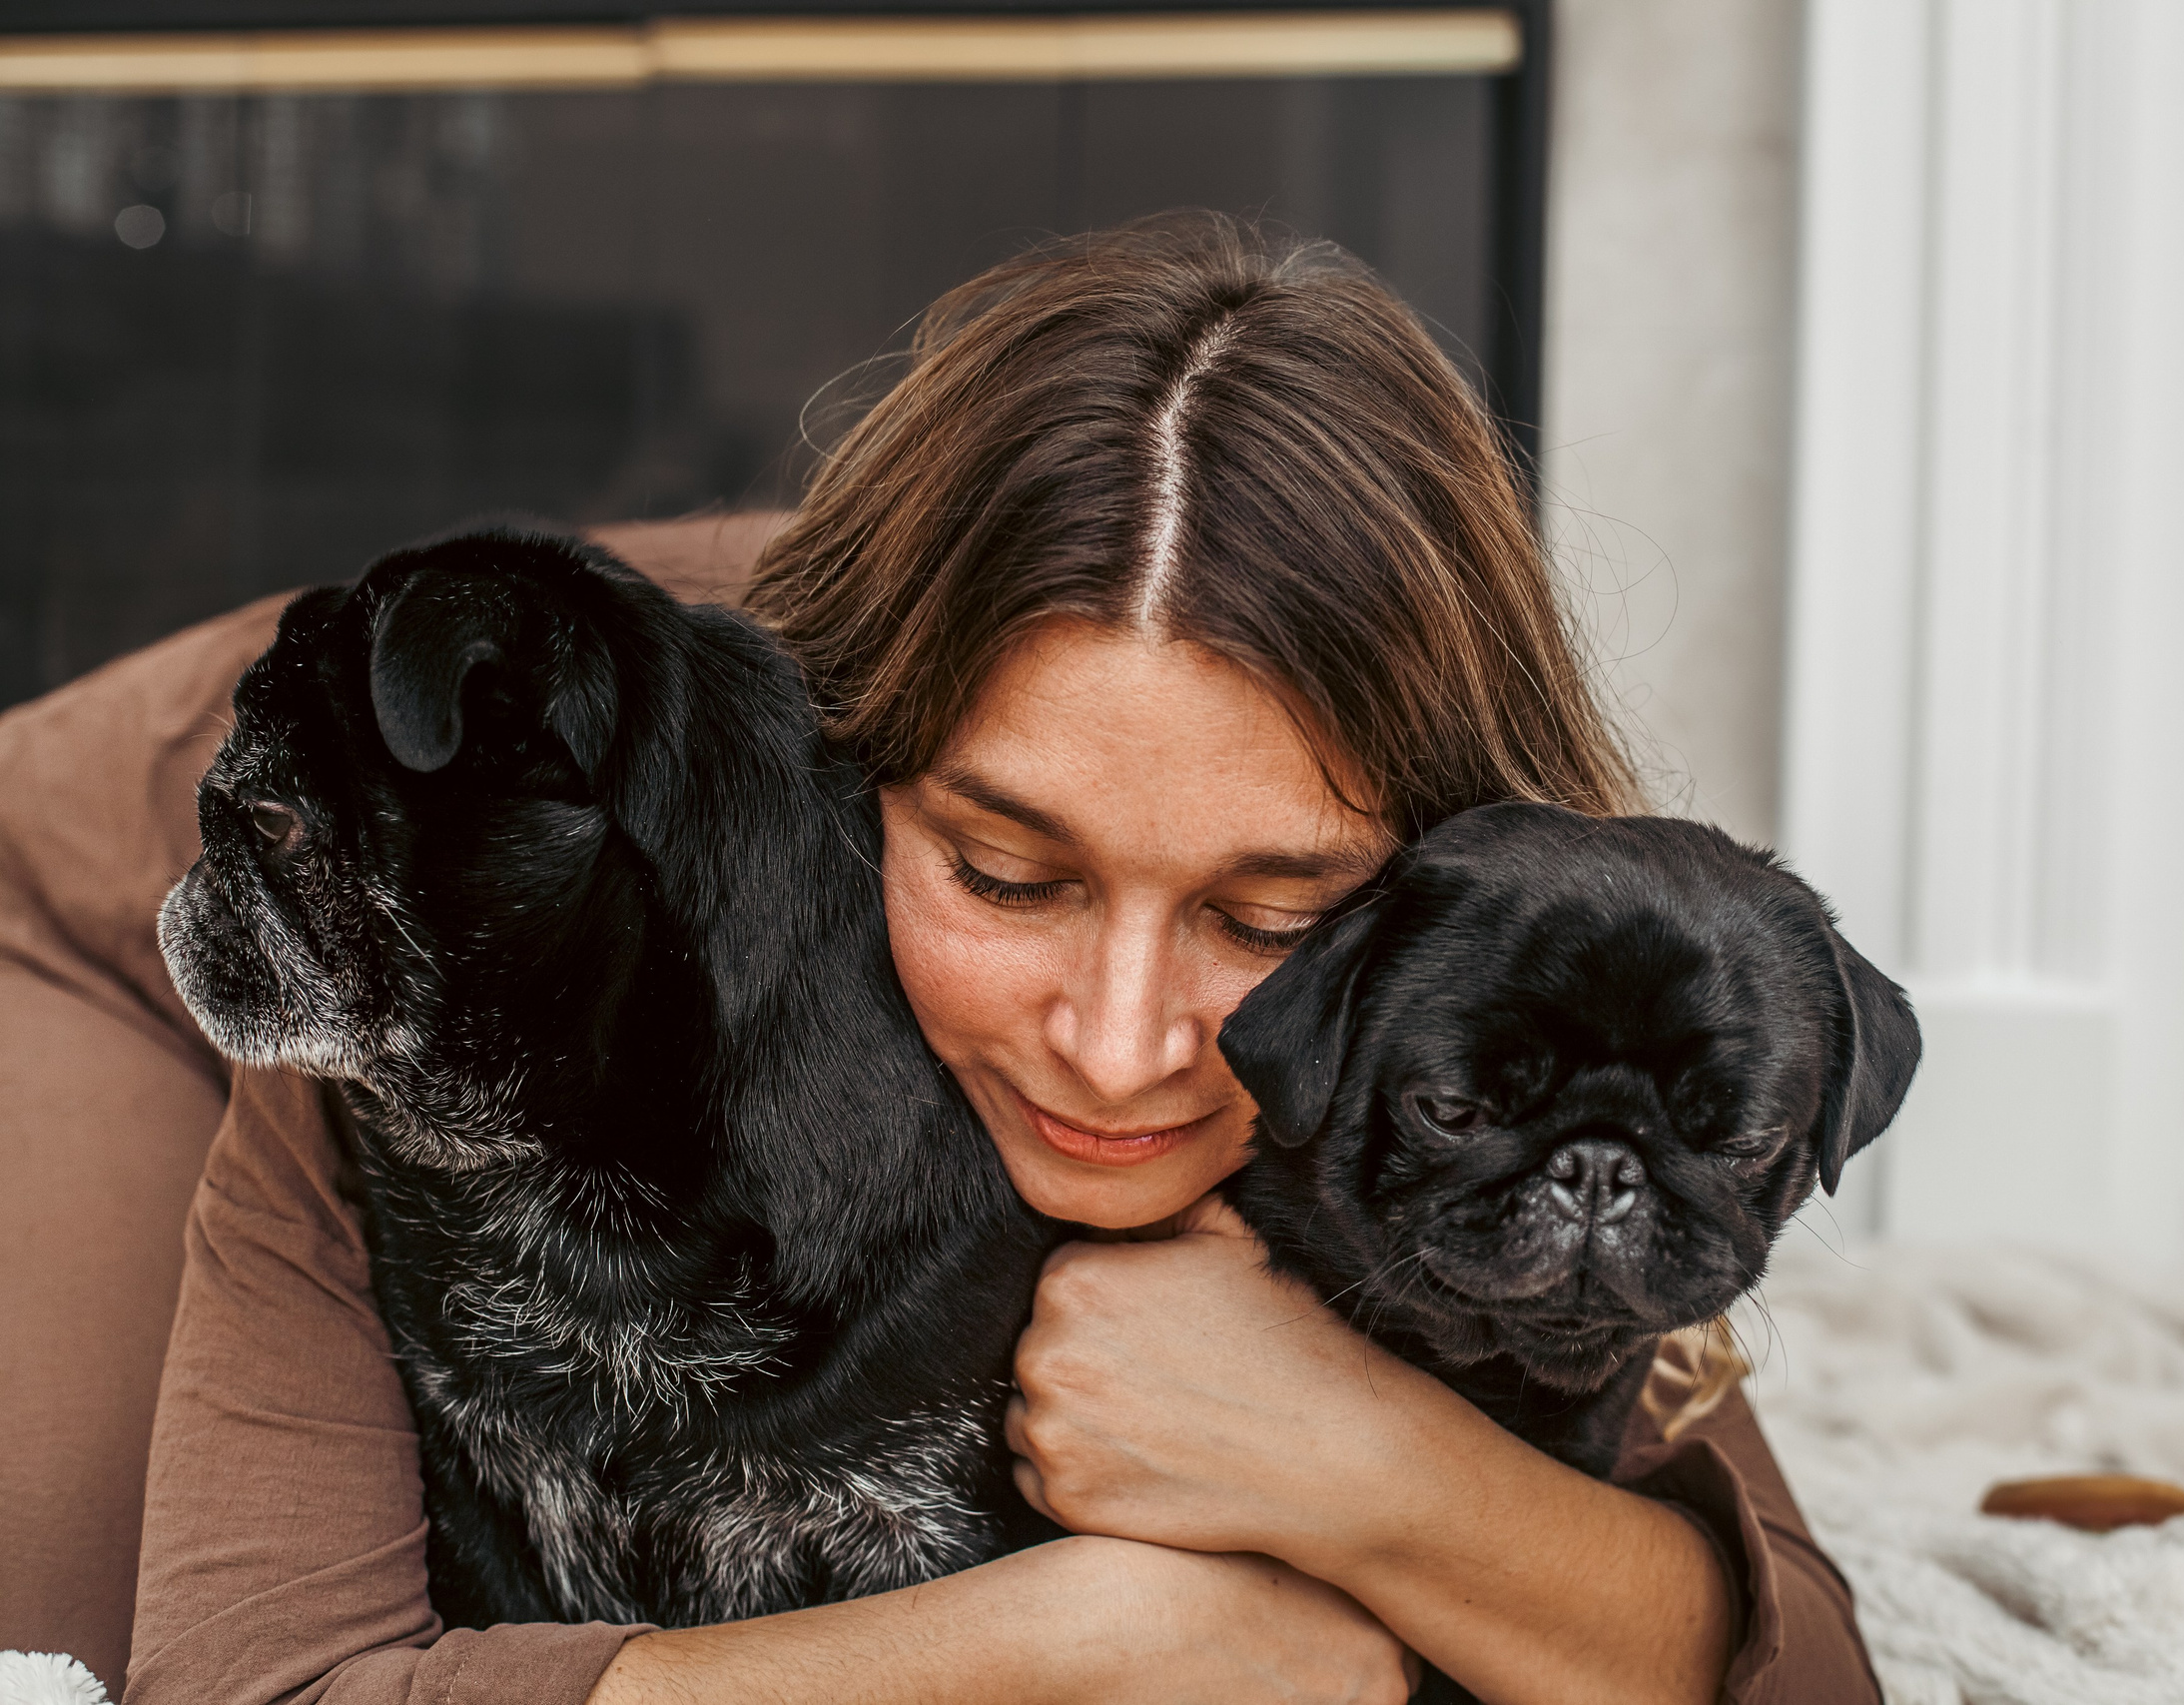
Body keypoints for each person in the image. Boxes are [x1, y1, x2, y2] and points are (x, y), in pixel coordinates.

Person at [4, 216, 1877, 1704]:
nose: (1122, 1048)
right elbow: (258, 1681)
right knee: (53, 1598)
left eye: (1269, 918)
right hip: (107, 908)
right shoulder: (524, 890)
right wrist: (1059, 1645)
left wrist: (1366, 1464)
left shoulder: (1525, 969)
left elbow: (1791, 1664)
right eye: (1004, 872)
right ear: (839, 785)